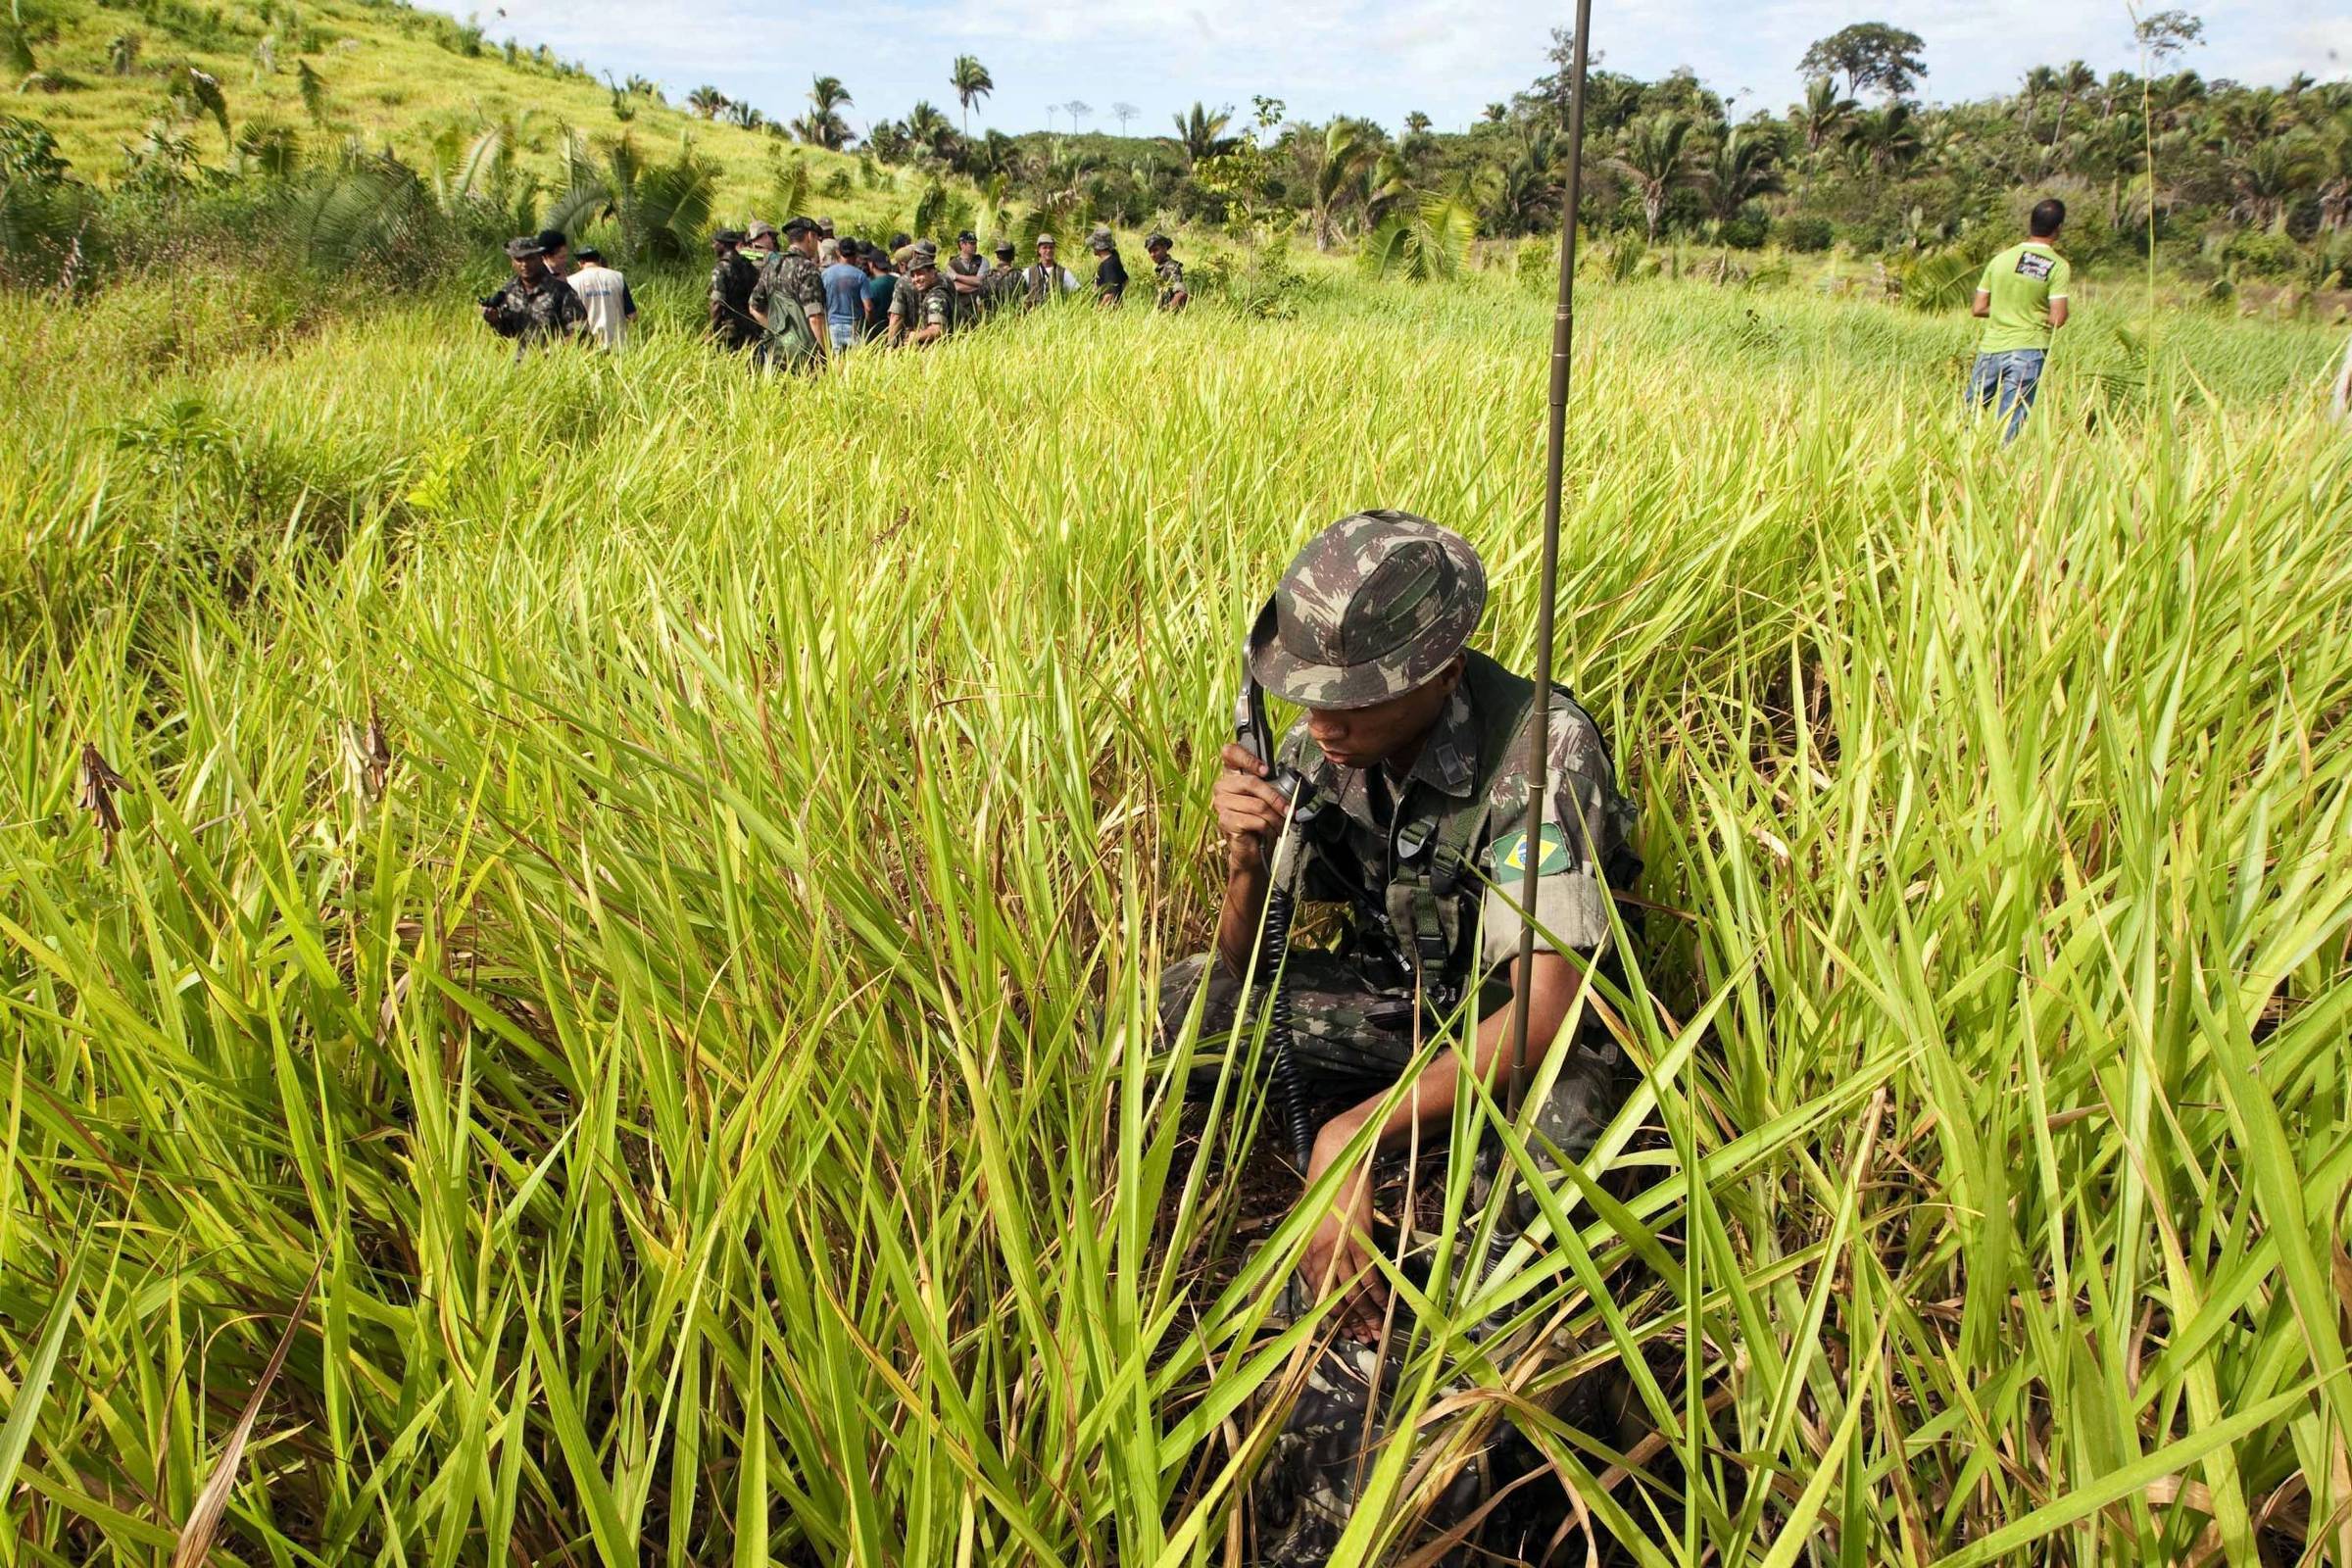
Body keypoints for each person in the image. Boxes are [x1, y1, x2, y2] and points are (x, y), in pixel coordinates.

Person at [1159, 511, 1642, 1564]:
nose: (1324, 723)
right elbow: (1249, 967)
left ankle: (1491, 1436)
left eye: (1356, 697)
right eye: (1308, 695)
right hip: (1411, 1004)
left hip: (1536, 1044)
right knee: (1175, 1012)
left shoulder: (1541, 751)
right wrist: (1245, 861)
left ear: (1441, 668)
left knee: (1514, 1272)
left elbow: (1550, 1014)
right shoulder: (1321, 743)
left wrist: (1355, 1134)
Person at [1968, 197, 2071, 442]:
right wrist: (2035, 314)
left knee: (1971, 416)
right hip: (2029, 349)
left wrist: (2006, 309)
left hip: (1991, 348)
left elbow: (1979, 308)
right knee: (2012, 419)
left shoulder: (2001, 259)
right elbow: (2058, 318)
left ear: (2031, 223)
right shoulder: (2058, 266)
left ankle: (1962, 464)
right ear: (2058, 228)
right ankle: (2003, 471)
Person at [480, 234, 585, 358]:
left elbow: (580, 330)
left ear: (540, 259)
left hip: (556, 366)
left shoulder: (561, 291)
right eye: (519, 259)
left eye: (530, 258)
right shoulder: (509, 291)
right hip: (523, 366)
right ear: (512, 262)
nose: (524, 264)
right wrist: (495, 320)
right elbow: (510, 332)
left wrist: (553, 352)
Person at [749, 215, 829, 371]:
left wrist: (784, 335)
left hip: (778, 352)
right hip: (806, 358)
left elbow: (754, 307)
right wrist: (826, 354)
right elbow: (815, 318)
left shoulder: (772, 266)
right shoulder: (808, 269)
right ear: (810, 237)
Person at [566, 246, 635, 351]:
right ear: (599, 260)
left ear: (580, 262)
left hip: (588, 347)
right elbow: (632, 315)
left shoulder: (571, 281)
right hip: (619, 345)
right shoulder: (618, 277)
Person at [887, 240, 954, 346]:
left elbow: (896, 316)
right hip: (948, 344)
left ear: (914, 254)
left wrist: (890, 345)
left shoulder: (903, 282)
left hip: (916, 343)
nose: (916, 278)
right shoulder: (947, 279)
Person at [708, 228, 760, 352]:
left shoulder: (720, 269)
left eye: (715, 243)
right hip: (750, 324)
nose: (713, 246)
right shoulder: (747, 264)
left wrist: (711, 330)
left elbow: (717, 303)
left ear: (723, 245)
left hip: (731, 328)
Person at [821, 236, 865, 357]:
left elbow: (821, 302)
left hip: (832, 325)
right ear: (855, 254)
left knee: (836, 362)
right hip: (854, 326)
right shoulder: (860, 276)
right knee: (858, 363)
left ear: (838, 252)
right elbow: (869, 306)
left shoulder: (825, 274)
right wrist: (868, 324)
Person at [1023, 234, 1082, 309]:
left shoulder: (1063, 272)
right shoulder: (1028, 272)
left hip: (1054, 315)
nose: (1048, 250)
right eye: (1045, 248)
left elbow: (1077, 291)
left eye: (1051, 247)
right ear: (1039, 250)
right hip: (1032, 316)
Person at [945, 229, 989, 323]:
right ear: (962, 244)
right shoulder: (951, 264)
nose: (975, 246)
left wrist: (956, 276)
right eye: (972, 243)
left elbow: (980, 281)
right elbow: (956, 287)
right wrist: (977, 286)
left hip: (980, 309)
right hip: (959, 310)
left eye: (975, 243)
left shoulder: (983, 261)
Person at [859, 244, 900, 343]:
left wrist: (870, 325)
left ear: (871, 264)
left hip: (877, 332)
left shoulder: (870, 286)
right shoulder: (899, 282)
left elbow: (868, 309)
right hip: (897, 329)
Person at [1147, 231, 1188, 313]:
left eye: (1155, 250)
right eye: (1150, 252)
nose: (1152, 255)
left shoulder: (1171, 267)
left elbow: (1181, 293)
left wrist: (1166, 314)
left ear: (1165, 248)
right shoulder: (1162, 268)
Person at [1088, 227, 1128, 307]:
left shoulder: (1109, 265)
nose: (1092, 247)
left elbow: (1109, 294)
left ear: (1099, 246)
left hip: (1108, 312)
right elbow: (1125, 280)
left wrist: (1098, 310)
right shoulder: (1114, 258)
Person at [983, 240, 1022, 316]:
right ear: (1013, 256)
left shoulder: (988, 275)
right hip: (1013, 320)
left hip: (992, 321)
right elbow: (1024, 301)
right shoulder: (1018, 275)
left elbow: (981, 303)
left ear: (997, 256)